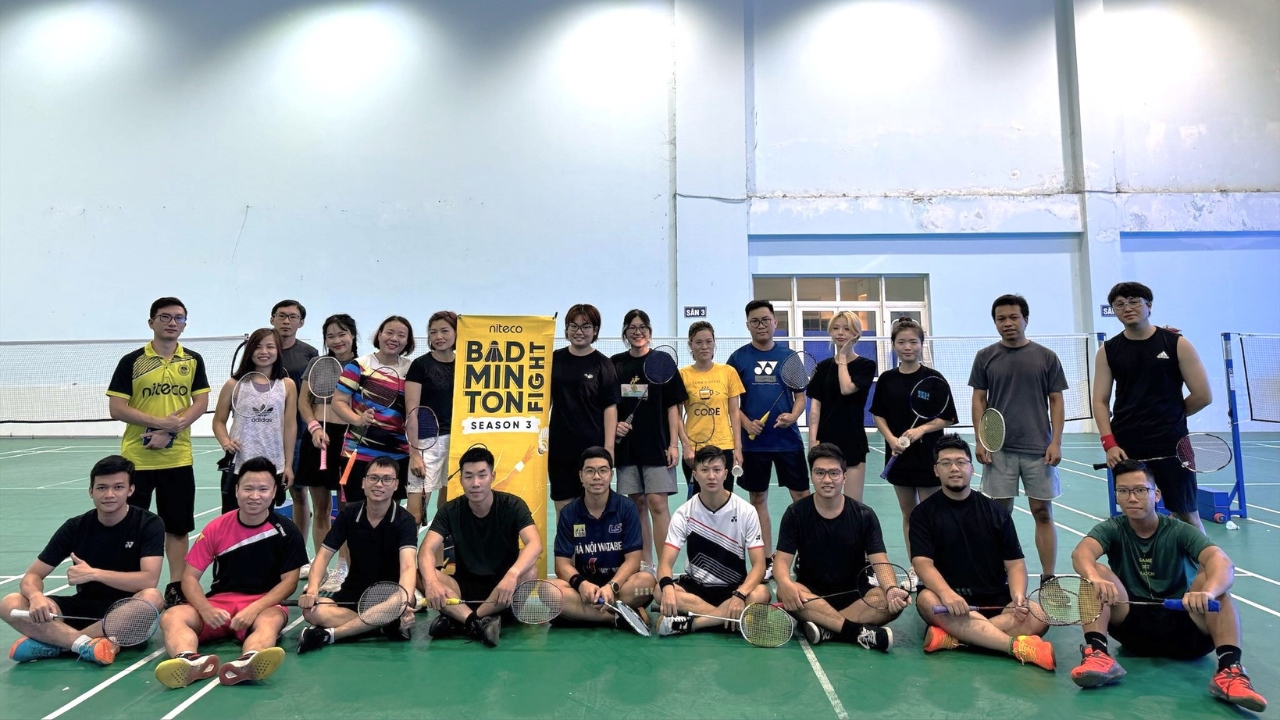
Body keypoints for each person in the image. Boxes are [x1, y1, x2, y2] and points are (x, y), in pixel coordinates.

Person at [1068, 460, 1265, 711]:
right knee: (1094, 573)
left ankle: (1230, 671)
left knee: (1214, 585)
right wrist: (1092, 576)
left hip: (1184, 624)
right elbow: (1081, 553)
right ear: (1117, 496)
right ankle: (1098, 655)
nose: (1132, 498)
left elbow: (1222, 562)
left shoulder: (1179, 530)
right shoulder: (1113, 528)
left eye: (1140, 490)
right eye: (1123, 491)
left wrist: (1207, 592)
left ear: (1156, 494)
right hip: (1134, 628)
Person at [152, 457, 307, 689]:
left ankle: (249, 660)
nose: (255, 496)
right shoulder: (216, 527)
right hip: (220, 604)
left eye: (263, 489)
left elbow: (289, 583)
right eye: (248, 488)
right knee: (172, 616)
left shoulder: (287, 531)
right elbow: (189, 577)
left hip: (263, 603)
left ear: (274, 491)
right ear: (236, 490)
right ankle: (188, 660)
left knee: (271, 621)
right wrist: (205, 608)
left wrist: (255, 608)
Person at [910, 435, 1055, 671]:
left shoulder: (995, 511)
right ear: (936, 471)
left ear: (971, 468)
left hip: (994, 601)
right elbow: (922, 563)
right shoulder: (923, 514)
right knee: (926, 599)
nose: (954, 469)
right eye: (946, 463)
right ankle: (1016, 647)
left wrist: (1018, 597)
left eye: (960, 462)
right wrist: (947, 595)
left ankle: (954, 638)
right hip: (948, 603)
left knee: (1038, 615)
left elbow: (1015, 563)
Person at [4, 456, 164, 666]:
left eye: (118, 487)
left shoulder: (149, 524)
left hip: (125, 613)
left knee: (152, 598)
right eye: (101, 488)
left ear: (130, 490)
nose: (109, 494)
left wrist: (94, 574)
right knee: (11, 602)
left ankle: (59, 644)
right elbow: (33, 575)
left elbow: (148, 580)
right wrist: (35, 596)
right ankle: (85, 644)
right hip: (81, 608)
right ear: (91, 492)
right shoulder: (75, 526)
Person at [107, 296, 211, 608]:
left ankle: (176, 586)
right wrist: (156, 422)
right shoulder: (132, 361)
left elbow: (201, 403)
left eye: (179, 318)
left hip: (178, 458)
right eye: (165, 317)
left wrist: (169, 431)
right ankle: (130, 586)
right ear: (151, 322)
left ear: (185, 324)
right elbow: (116, 408)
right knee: (131, 525)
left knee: (177, 527)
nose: (172, 323)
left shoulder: (192, 360)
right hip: (136, 459)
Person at [1093, 281, 1213, 532]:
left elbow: (1203, 395)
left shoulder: (1176, 343)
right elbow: (1100, 401)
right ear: (1114, 310)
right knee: (1136, 515)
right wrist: (1109, 443)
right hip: (1127, 445)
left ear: (1149, 306)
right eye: (1119, 304)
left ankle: (1208, 569)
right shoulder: (1108, 351)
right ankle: (1143, 570)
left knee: (1187, 515)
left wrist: (1171, 416)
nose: (1127, 307)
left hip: (1173, 444)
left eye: (1134, 301)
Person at [969, 294, 1068, 583]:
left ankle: (1048, 576)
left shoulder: (1046, 356)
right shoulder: (985, 357)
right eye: (1001, 319)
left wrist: (1056, 441)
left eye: (1013, 317)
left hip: (1039, 449)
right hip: (999, 450)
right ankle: (998, 573)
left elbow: (1056, 401)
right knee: (999, 515)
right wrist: (981, 440)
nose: (1008, 323)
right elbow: (979, 399)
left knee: (1043, 512)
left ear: (1026, 319)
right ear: (995, 323)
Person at [774, 444, 898, 652]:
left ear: (844, 476)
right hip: (811, 596)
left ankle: (827, 628)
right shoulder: (796, 513)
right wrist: (785, 582)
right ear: (811, 475)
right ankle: (855, 632)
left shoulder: (864, 515)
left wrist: (892, 588)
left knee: (888, 600)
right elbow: (781, 561)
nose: (827, 480)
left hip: (856, 595)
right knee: (788, 593)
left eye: (833, 473)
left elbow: (880, 561)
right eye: (820, 473)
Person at [418, 446, 542, 648]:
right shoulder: (451, 510)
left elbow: (535, 544)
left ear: (492, 476)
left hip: (503, 588)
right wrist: (431, 581)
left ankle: (460, 620)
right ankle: (477, 622)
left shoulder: (513, 505)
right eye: (468, 476)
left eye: (482, 475)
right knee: (422, 574)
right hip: (463, 588)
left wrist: (512, 574)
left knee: (530, 571)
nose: (475, 483)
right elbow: (426, 550)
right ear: (461, 479)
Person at [296, 457, 418, 653]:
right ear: (363, 482)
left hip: (391, 595)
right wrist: (311, 590)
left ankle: (330, 635)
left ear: (396, 485)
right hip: (354, 593)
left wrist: (405, 598)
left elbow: (408, 566)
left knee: (398, 601)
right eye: (374, 478)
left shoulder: (405, 521)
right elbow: (324, 555)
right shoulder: (350, 514)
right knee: (311, 610)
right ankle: (382, 625)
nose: (379, 484)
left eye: (387, 479)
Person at [729, 300, 810, 571]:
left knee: (801, 496)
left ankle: (806, 555)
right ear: (748, 325)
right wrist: (746, 423)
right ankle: (764, 559)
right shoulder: (739, 358)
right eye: (755, 321)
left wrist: (794, 416)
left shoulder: (789, 357)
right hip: (754, 446)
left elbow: (801, 396)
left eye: (766, 320)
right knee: (757, 499)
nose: (761, 325)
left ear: (775, 323)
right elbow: (732, 403)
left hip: (787, 441)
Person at [655, 446, 770, 637]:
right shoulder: (684, 513)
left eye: (716, 470)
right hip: (696, 588)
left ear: (725, 474)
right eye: (704, 470)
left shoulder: (746, 511)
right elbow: (665, 563)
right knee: (659, 592)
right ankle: (727, 619)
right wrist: (667, 587)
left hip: (734, 588)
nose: (711, 476)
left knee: (761, 594)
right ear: (695, 474)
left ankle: (696, 623)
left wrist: (740, 595)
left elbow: (759, 566)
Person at [869, 318, 957, 561]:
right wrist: (890, 439)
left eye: (913, 342)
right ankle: (916, 565)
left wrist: (921, 430)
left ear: (921, 344)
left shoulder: (934, 378)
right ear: (894, 345)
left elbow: (948, 418)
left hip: (928, 455)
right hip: (899, 455)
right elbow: (878, 415)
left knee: (931, 514)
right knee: (909, 513)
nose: (907, 347)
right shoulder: (886, 379)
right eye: (901, 342)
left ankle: (936, 564)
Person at [610, 309, 686, 575]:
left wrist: (674, 444)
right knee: (636, 504)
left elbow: (673, 407)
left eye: (642, 326)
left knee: (657, 503)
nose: (637, 331)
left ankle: (664, 567)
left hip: (657, 444)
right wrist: (616, 425)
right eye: (632, 327)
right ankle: (645, 566)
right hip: (627, 448)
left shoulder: (662, 361)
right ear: (625, 332)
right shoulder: (615, 364)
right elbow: (609, 405)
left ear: (649, 332)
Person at [548, 447, 654, 633]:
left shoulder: (626, 508)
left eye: (603, 470)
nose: (597, 477)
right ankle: (616, 618)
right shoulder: (569, 513)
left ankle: (582, 615)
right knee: (548, 591)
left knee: (647, 583)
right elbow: (561, 564)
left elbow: (633, 560)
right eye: (590, 471)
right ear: (581, 476)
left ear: (611, 474)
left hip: (620, 586)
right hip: (584, 589)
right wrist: (581, 584)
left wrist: (611, 587)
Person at [295, 314, 358, 580]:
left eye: (342, 334)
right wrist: (314, 427)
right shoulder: (317, 364)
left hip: (347, 439)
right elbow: (303, 401)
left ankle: (344, 566)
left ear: (352, 335)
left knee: (345, 510)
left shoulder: (362, 365)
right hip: (318, 438)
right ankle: (322, 565)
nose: (337, 340)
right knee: (320, 507)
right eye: (330, 336)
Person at [331, 315, 415, 507]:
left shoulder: (411, 369)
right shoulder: (359, 366)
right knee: (354, 514)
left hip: (398, 453)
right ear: (379, 335)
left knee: (390, 514)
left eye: (401, 335)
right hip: (359, 452)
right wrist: (357, 419)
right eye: (389, 332)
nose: (394, 338)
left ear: (407, 341)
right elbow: (339, 402)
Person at [211, 328, 297, 513]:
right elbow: (218, 421)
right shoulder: (234, 384)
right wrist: (225, 442)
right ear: (249, 350)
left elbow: (290, 427)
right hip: (239, 465)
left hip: (274, 464)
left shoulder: (287, 385)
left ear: (278, 351)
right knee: (232, 520)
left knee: (265, 520)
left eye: (270, 347)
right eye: (258, 347)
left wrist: (288, 465)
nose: (264, 352)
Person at [548, 304, 619, 516]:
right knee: (563, 505)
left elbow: (610, 408)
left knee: (594, 506)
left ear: (595, 330)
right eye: (574, 326)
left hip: (592, 448)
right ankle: (566, 550)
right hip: (560, 447)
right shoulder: (554, 360)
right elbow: (545, 401)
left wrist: (609, 448)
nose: (579, 331)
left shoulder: (604, 365)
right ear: (566, 329)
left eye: (586, 326)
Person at [270, 300, 320, 570]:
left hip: (299, 435)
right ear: (272, 319)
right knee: (261, 492)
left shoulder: (310, 354)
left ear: (301, 322)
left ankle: (299, 556)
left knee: (300, 493)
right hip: (264, 436)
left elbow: (313, 396)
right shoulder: (262, 349)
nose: (286, 321)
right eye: (281, 316)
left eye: (293, 317)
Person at [806, 311, 875, 501]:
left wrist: (843, 356)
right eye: (835, 328)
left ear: (857, 334)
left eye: (846, 328)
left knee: (853, 504)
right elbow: (815, 408)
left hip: (853, 440)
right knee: (827, 500)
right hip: (826, 441)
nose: (840, 333)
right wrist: (813, 442)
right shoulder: (822, 367)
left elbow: (846, 388)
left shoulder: (866, 365)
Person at [677, 321, 744, 498]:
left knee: (725, 500)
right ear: (690, 345)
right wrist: (686, 446)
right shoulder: (682, 375)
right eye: (698, 342)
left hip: (724, 447)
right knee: (697, 502)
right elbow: (676, 416)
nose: (704, 346)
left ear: (714, 343)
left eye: (708, 341)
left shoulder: (728, 372)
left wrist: (738, 447)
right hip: (695, 450)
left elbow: (734, 412)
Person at [406, 310, 458, 531]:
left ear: (457, 333)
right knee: (415, 512)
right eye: (433, 332)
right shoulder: (419, 366)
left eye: (444, 331)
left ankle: (436, 564)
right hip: (427, 442)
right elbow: (412, 411)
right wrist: (414, 453)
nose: (438, 336)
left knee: (447, 509)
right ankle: (405, 563)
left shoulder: (467, 364)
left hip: (457, 442)